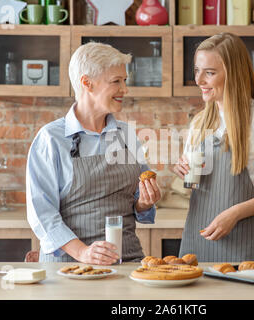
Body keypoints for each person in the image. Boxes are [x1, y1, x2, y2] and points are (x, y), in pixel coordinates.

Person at [26, 42, 161, 264]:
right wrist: (83, 253)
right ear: (87, 83)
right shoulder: (51, 138)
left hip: (126, 262)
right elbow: (42, 214)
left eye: (124, 81)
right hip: (71, 268)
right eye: (116, 81)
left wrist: (144, 203)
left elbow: (135, 202)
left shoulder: (125, 135)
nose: (124, 89)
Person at [173, 33, 254, 262]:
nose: (199, 80)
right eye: (197, 70)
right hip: (196, 243)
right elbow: (197, 185)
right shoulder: (200, 121)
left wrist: (234, 213)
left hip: (244, 247)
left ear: (233, 73)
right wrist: (182, 170)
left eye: (209, 73)